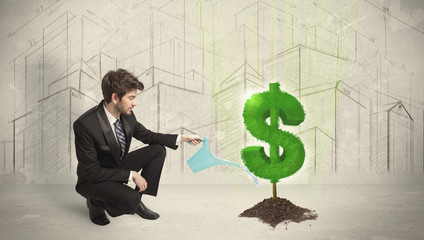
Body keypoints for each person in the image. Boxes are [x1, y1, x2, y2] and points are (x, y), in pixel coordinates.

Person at [73, 68, 202, 225]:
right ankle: (96, 202)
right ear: (115, 97)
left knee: (157, 150)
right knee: (127, 201)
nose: (135, 103)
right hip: (94, 179)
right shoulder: (85, 125)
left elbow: (148, 136)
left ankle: (136, 201)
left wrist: (182, 138)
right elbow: (91, 172)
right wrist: (131, 174)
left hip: (117, 166)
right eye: (131, 98)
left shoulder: (127, 115)